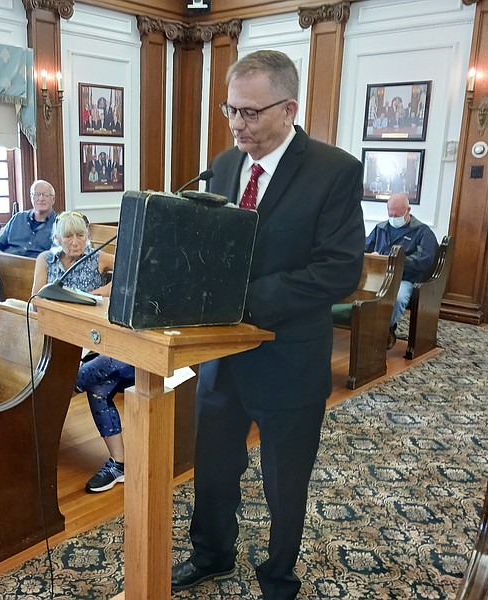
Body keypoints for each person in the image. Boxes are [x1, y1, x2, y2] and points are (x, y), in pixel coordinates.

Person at [171, 50, 365, 599]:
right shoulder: (224, 164)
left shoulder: (334, 170)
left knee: (284, 483)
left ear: (289, 109)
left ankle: (279, 575)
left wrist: (246, 301)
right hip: (221, 357)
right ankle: (211, 554)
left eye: (251, 113)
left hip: (288, 358)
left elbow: (339, 270)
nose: (237, 124)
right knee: (212, 469)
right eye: (230, 110)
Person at [30, 212, 129, 493]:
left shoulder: (97, 257)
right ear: (57, 238)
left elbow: (129, 276)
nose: (75, 242)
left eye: (80, 236)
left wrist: (99, 292)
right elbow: (36, 298)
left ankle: (49, 405)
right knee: (97, 387)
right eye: (68, 236)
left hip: (101, 344)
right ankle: (119, 464)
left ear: (87, 237)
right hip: (61, 341)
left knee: (71, 381)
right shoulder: (46, 260)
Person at [364, 192, 438, 348]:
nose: (393, 218)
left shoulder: (423, 232)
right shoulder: (381, 228)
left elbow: (424, 261)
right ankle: (364, 328)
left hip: (404, 278)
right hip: (378, 276)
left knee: (397, 299)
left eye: (396, 214)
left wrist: (395, 260)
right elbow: (365, 249)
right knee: (359, 291)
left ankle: (384, 328)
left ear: (408, 210)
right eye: (390, 214)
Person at [0, 180, 57, 258]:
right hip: (8, 264)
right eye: (36, 194)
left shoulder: (59, 223)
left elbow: (58, 256)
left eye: (46, 195)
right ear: (31, 198)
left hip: (37, 267)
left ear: (53, 199)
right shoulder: (17, 218)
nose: (41, 199)